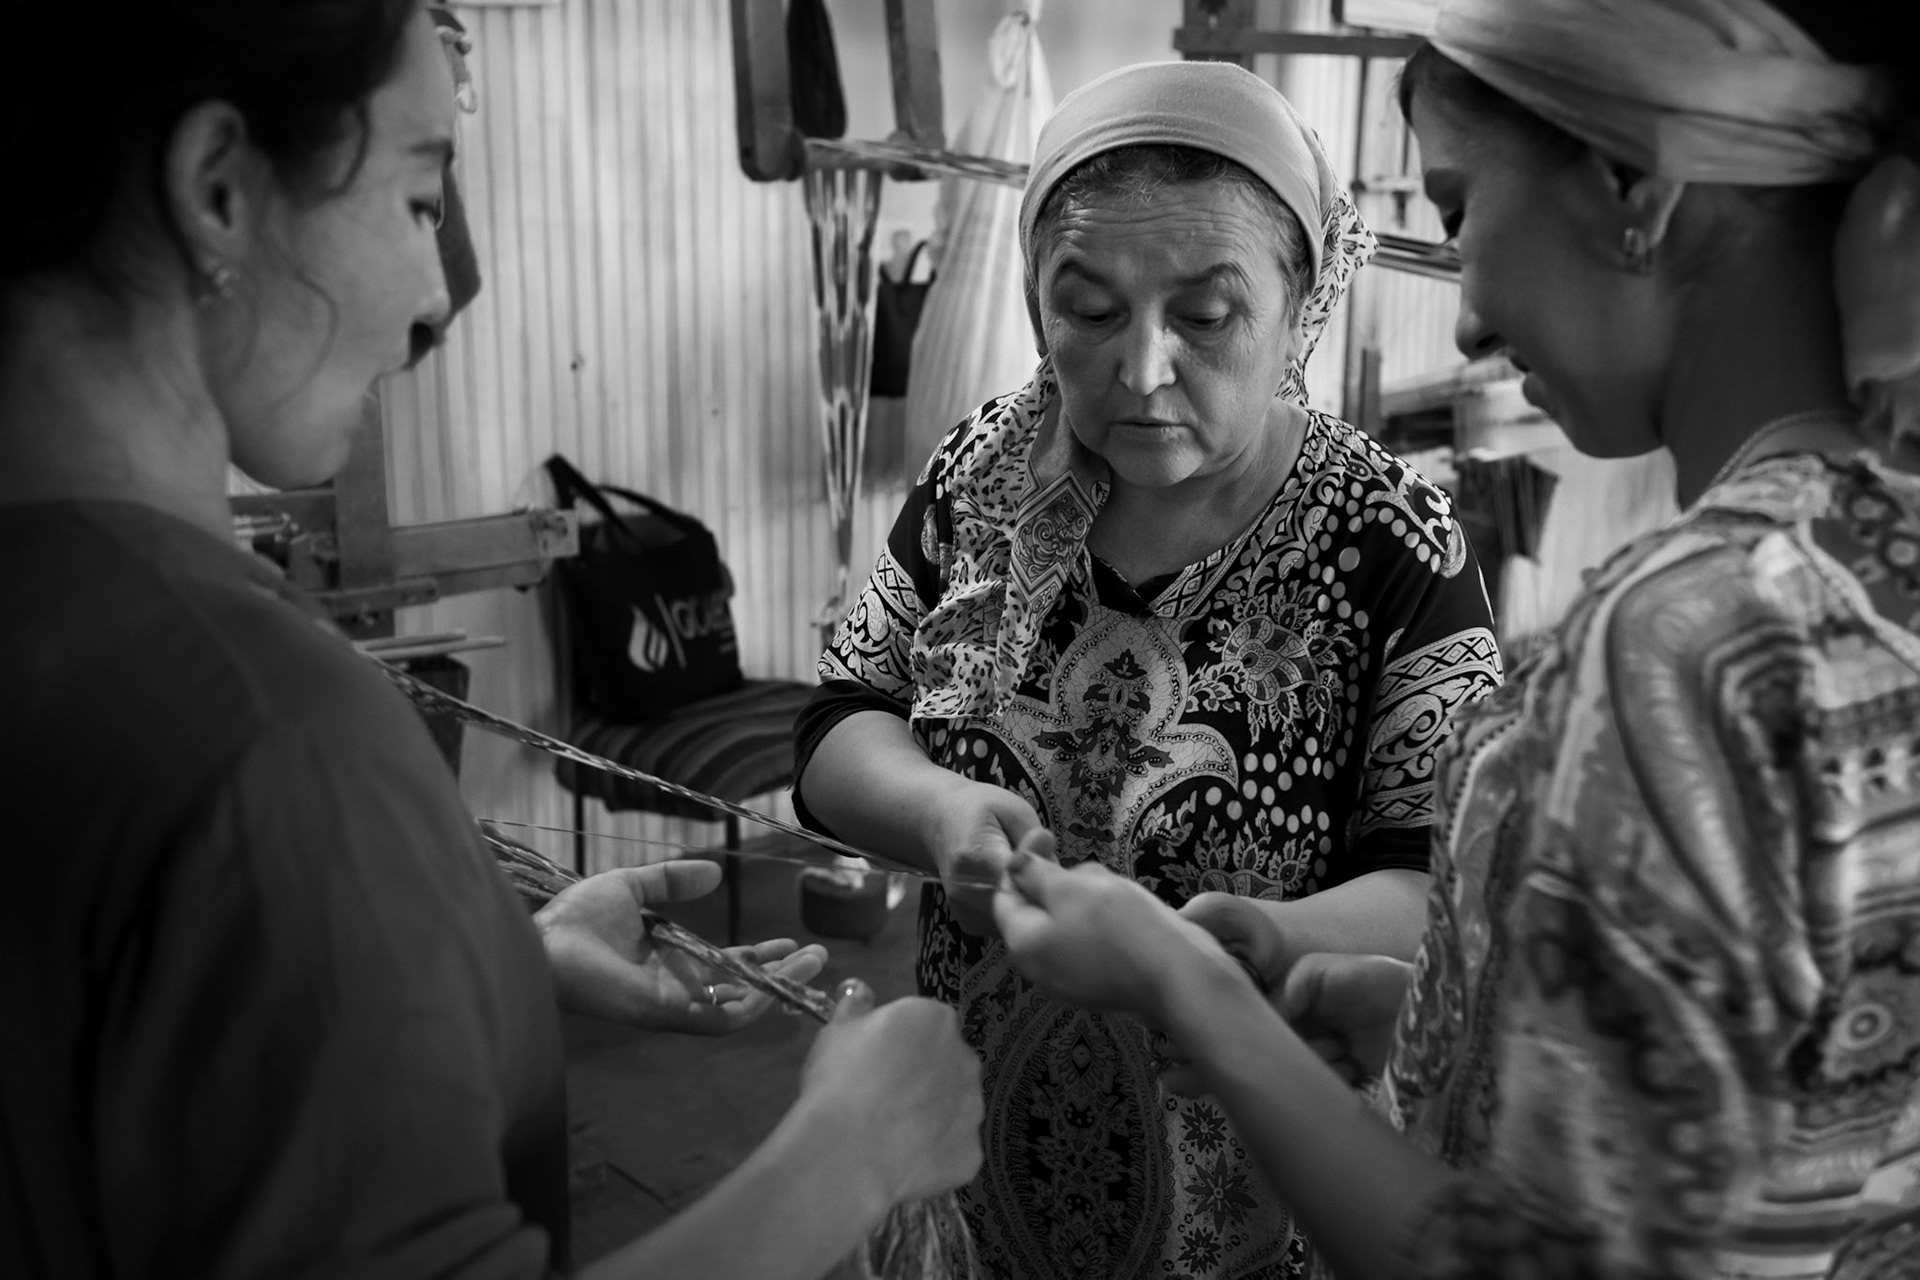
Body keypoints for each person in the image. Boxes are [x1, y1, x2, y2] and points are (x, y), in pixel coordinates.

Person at [0, 2, 982, 1277]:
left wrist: (489, 972)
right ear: (219, 189)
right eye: (420, 197)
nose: (432, 297)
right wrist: (851, 1151)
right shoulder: (267, 728)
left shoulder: (78, 628)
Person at [989, 1, 1920, 1277]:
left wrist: (1184, 990)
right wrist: (1459, 1030)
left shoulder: (1678, 645)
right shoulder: (1870, 568)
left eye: (1461, 208)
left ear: (1632, 187)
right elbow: (1804, 1103)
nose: (1469, 316)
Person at [794, 60, 1502, 1278]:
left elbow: (1434, 878)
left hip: (1252, 1183)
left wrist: (1247, 945)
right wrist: (940, 808)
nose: (1142, 367)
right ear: (1035, 300)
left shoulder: (1390, 539)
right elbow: (840, 722)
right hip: (967, 1150)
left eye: (1207, 315)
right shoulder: (987, 474)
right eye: (1089, 308)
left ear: (1302, 302)